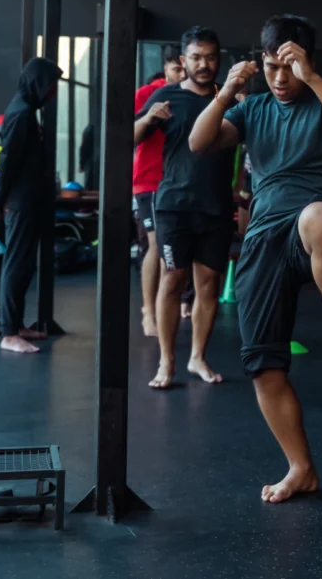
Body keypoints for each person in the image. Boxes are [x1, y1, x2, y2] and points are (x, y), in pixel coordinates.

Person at [189, 15, 322, 503]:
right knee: (263, 367)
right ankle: (301, 468)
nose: (279, 78)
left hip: (311, 229)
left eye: (289, 67)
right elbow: (198, 142)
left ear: (307, 62)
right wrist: (227, 92)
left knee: (321, 215)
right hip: (263, 240)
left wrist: (312, 76)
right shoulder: (253, 110)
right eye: (272, 67)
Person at [135, 28, 234, 388]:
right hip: (174, 205)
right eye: (195, 57)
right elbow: (129, 138)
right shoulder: (167, 96)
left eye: (209, 57)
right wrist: (148, 119)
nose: (203, 64)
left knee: (208, 285)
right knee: (173, 279)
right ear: (183, 60)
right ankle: (166, 362)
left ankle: (197, 358)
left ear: (219, 58)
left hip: (217, 207)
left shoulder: (231, 98)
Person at [0, 57, 63, 354]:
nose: (54, 91)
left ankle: (18, 325)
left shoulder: (28, 110)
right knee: (16, 264)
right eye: (51, 85)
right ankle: (9, 334)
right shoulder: (21, 114)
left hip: (30, 201)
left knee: (24, 265)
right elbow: (6, 164)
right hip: (19, 203)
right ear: (39, 84)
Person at [132, 48, 186, 337]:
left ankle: (170, 305)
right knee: (156, 245)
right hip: (151, 180)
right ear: (166, 68)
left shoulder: (194, 94)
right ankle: (148, 312)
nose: (181, 74)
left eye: (184, 69)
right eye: (176, 69)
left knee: (175, 248)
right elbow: (128, 133)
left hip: (180, 182)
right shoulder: (149, 93)